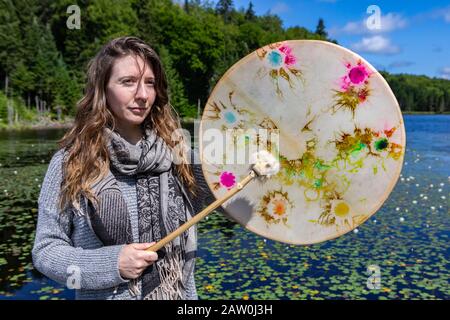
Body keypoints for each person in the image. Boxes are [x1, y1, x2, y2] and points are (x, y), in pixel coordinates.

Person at [32, 36, 217, 300]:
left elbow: (234, 191)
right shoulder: (69, 163)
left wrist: (259, 160)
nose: (142, 95)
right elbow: (46, 250)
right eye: (128, 82)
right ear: (103, 89)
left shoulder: (181, 157)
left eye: (150, 83)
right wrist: (112, 263)